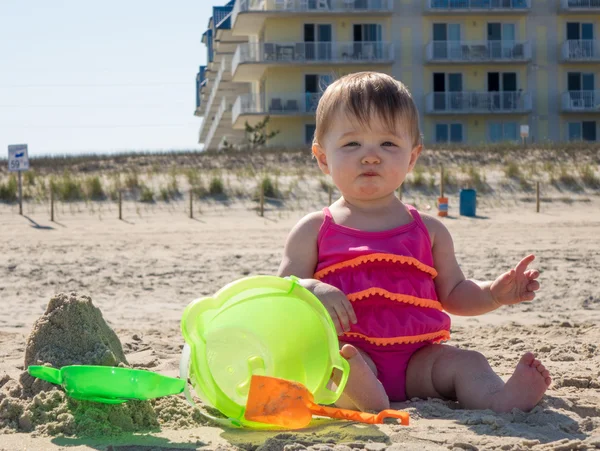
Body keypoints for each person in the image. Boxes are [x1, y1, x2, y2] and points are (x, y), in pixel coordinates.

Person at [277, 71, 550, 413]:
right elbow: (280, 292)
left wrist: (493, 294)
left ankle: (500, 399)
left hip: (421, 359)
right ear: (322, 158)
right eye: (352, 144)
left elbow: (454, 293)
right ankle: (366, 397)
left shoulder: (429, 230)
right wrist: (312, 289)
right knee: (338, 368)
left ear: (412, 156)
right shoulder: (315, 229)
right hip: (351, 350)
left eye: (388, 143)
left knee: (468, 362)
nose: (371, 156)